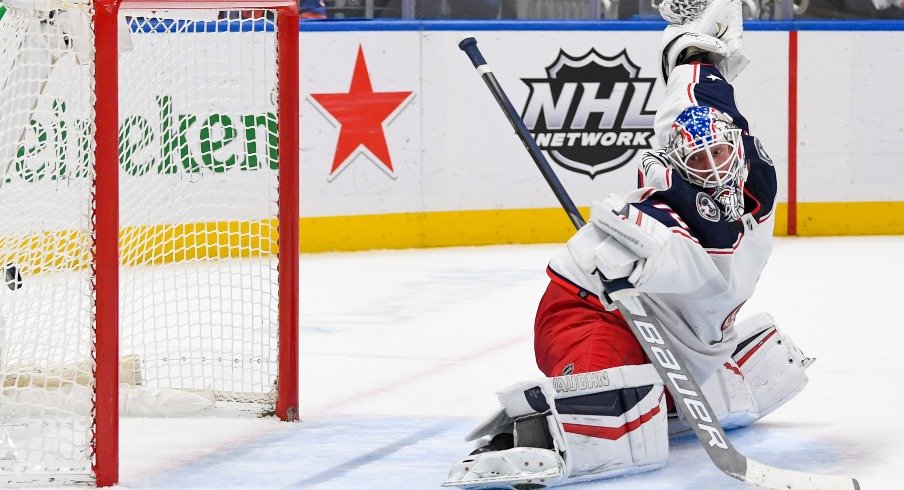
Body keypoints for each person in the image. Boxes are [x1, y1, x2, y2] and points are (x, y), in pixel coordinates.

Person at [444, 0, 814, 487]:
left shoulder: (752, 169)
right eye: (699, 162)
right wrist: (623, 250)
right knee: (606, 423)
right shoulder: (663, 214)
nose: (715, 166)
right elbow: (643, 238)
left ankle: (649, 397)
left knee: (694, 379)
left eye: (722, 152)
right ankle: (524, 436)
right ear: (677, 168)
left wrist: (693, 43)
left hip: (675, 327)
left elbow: (698, 94)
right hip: (592, 312)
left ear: (737, 146)